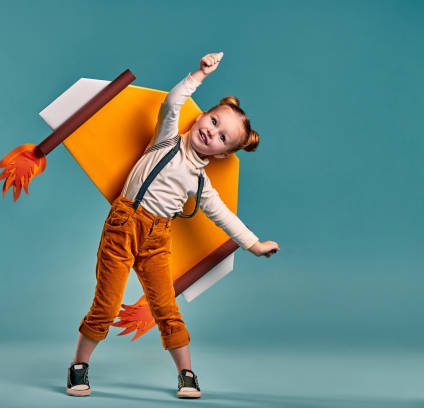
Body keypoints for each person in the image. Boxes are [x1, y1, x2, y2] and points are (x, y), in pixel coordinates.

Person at [66, 52, 280, 399]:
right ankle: (79, 366)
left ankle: (187, 374)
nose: (212, 133)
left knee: (166, 308)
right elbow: (172, 102)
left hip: (157, 240)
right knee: (106, 305)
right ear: (202, 117)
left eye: (223, 138)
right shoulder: (167, 139)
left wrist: (254, 244)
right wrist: (200, 74)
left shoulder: (200, 183)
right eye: (212, 121)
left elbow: (224, 216)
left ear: (224, 155)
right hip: (124, 226)